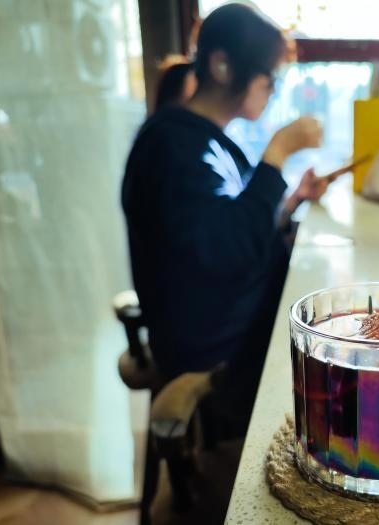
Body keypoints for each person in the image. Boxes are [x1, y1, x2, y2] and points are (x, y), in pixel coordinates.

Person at [121, 3, 326, 435]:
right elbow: (227, 249)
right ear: (221, 66)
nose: (273, 89)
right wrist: (276, 154)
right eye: (269, 77)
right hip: (210, 341)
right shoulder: (173, 146)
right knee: (323, 331)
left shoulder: (196, 139)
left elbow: (225, 225)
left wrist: (289, 202)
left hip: (214, 317)